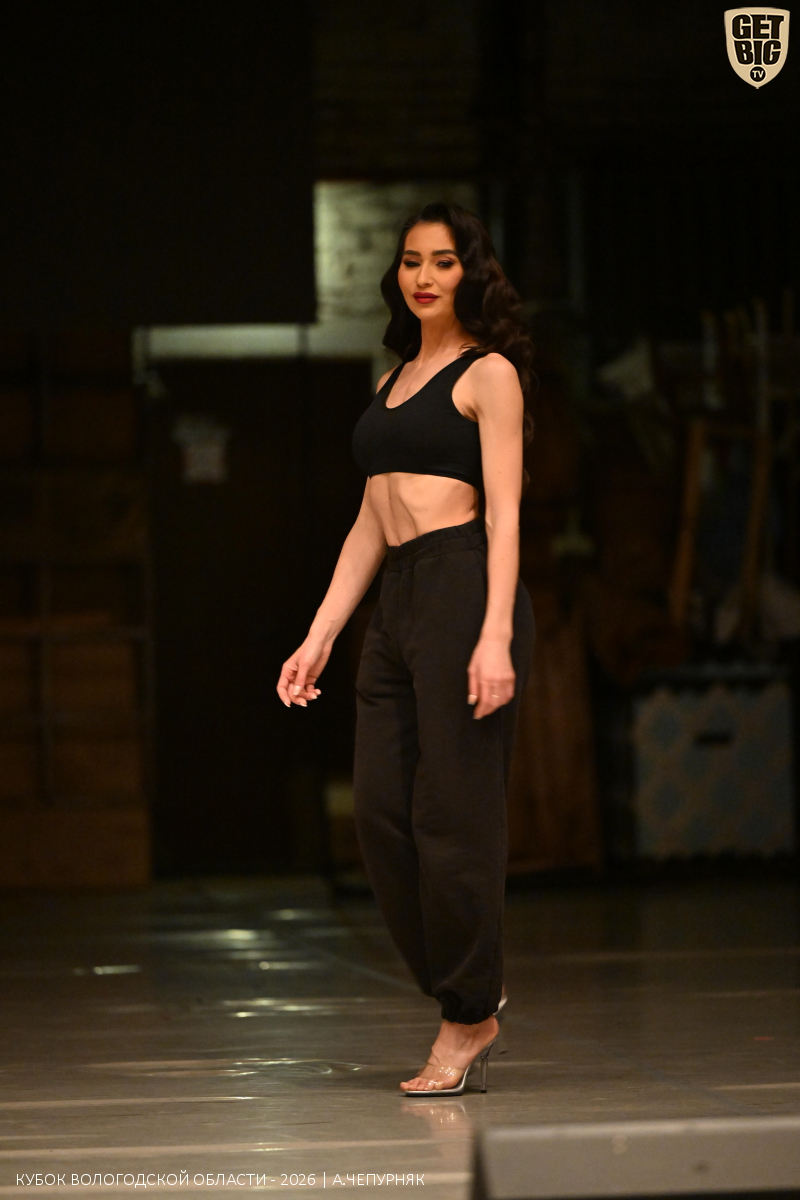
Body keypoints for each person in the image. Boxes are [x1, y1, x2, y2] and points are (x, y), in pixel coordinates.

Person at [277, 202, 536, 1094]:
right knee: (381, 814)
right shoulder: (395, 379)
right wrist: (320, 635)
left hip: (464, 586)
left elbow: (506, 514)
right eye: (412, 261)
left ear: (472, 273)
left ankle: (466, 1017)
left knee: (454, 817)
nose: (425, 276)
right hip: (396, 602)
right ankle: (473, 988)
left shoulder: (489, 373)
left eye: (444, 261)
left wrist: (495, 634)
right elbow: (369, 519)